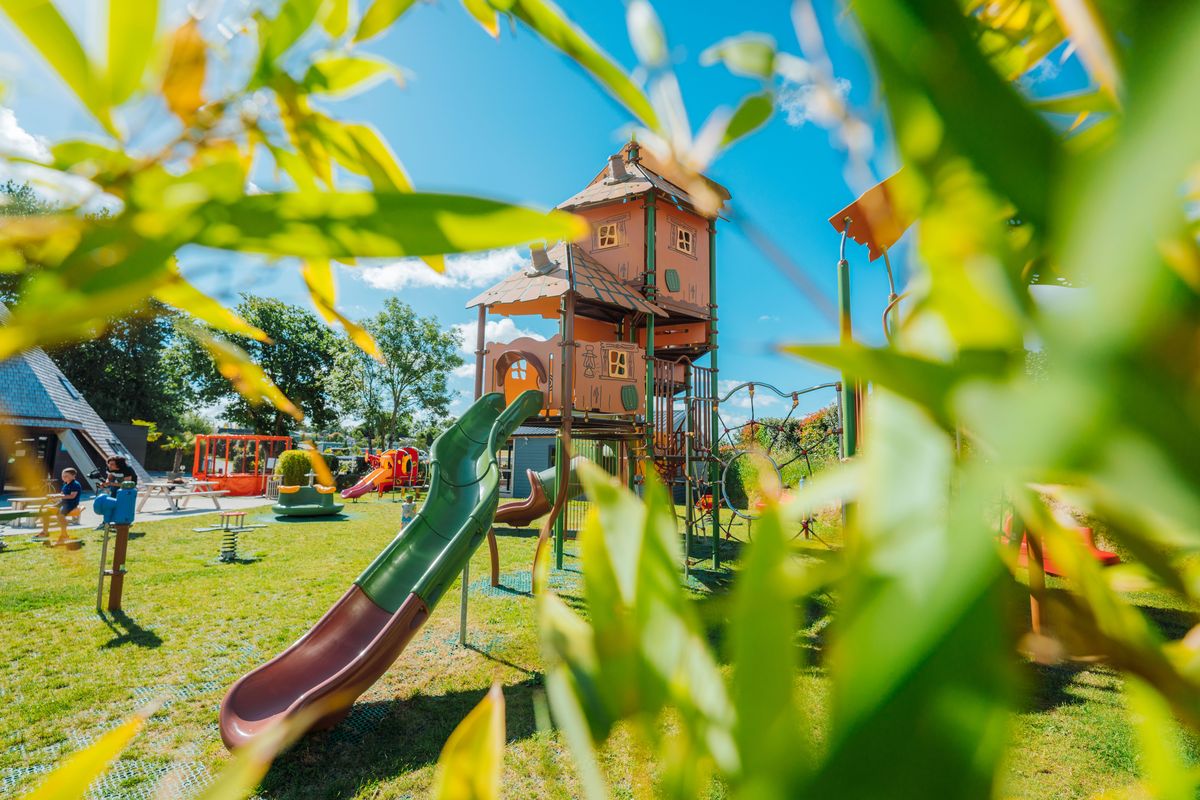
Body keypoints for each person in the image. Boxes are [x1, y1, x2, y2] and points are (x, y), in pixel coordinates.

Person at [44, 467, 81, 544]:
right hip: (63, 502)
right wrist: (53, 496)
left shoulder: (75, 484)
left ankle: (64, 535)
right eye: (63, 476)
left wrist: (58, 496)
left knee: (61, 514)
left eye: (66, 476)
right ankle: (45, 532)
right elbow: (62, 494)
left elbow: (72, 496)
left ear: (73, 476)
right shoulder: (65, 484)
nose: (63, 477)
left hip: (71, 503)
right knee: (46, 510)